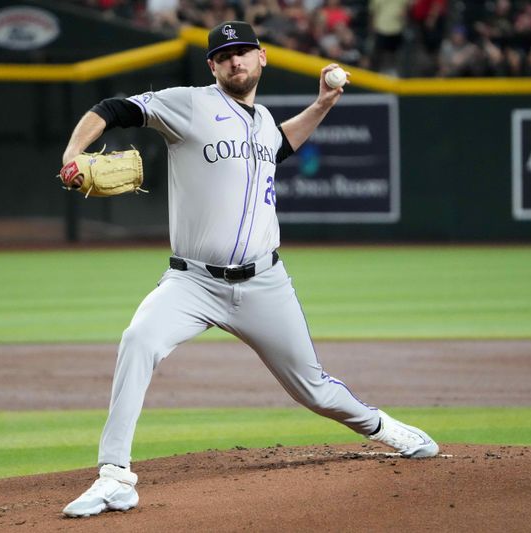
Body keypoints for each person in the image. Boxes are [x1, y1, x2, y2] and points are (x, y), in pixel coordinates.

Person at [59, 20, 439, 519]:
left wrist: (323, 104)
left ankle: (383, 428)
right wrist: (73, 152)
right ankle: (114, 477)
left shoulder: (260, 121)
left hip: (264, 284)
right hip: (192, 281)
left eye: (243, 52)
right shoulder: (191, 104)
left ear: (262, 58)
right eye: (224, 55)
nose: (234, 61)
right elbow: (113, 108)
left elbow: (279, 145)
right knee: (138, 340)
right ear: (212, 66)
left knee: (313, 389)